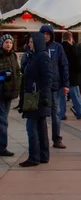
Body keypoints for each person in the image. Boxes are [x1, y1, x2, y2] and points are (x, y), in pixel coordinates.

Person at [17, 33, 50, 167]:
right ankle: (42, 155)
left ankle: (34, 156)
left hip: (36, 97)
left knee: (32, 127)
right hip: (35, 96)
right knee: (40, 127)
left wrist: (44, 97)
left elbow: (47, 78)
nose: (29, 44)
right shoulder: (35, 56)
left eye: (31, 42)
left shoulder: (41, 57)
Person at [39, 25, 69, 150]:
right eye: (43, 34)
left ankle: (56, 138)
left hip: (54, 84)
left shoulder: (57, 47)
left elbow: (64, 65)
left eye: (48, 34)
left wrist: (65, 83)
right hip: (40, 85)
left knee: (55, 112)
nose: (46, 36)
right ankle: (42, 139)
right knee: (39, 114)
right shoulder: (37, 46)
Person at [0, 34, 22, 157]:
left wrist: (17, 85)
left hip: (10, 93)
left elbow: (17, 72)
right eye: (6, 42)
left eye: (10, 42)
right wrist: (2, 76)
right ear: (2, 43)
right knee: (3, 121)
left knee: (3, 119)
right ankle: (2, 147)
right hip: (1, 92)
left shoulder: (13, 55)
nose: (8, 44)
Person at [61, 32, 81, 120]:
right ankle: (80, 112)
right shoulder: (73, 49)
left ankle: (61, 114)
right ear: (70, 39)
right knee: (76, 94)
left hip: (61, 75)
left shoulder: (59, 48)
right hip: (72, 75)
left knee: (61, 96)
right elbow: (78, 63)